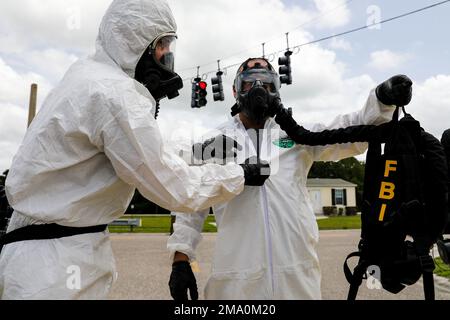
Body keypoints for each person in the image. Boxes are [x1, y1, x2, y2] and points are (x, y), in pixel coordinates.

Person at [0, 0, 269, 300]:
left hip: (42, 257)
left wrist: (199, 151)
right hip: (55, 265)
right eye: (162, 45)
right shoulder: (116, 94)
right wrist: (239, 174)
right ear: (135, 40)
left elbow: (139, 152)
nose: (167, 56)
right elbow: (173, 187)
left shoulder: (88, 77)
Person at [167, 57, 414, 300]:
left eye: (266, 83)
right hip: (236, 274)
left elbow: (351, 132)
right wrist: (181, 260)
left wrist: (382, 100)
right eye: (248, 83)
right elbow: (191, 205)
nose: (258, 89)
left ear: (277, 89)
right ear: (235, 91)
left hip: (297, 270)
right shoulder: (214, 142)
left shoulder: (297, 134)